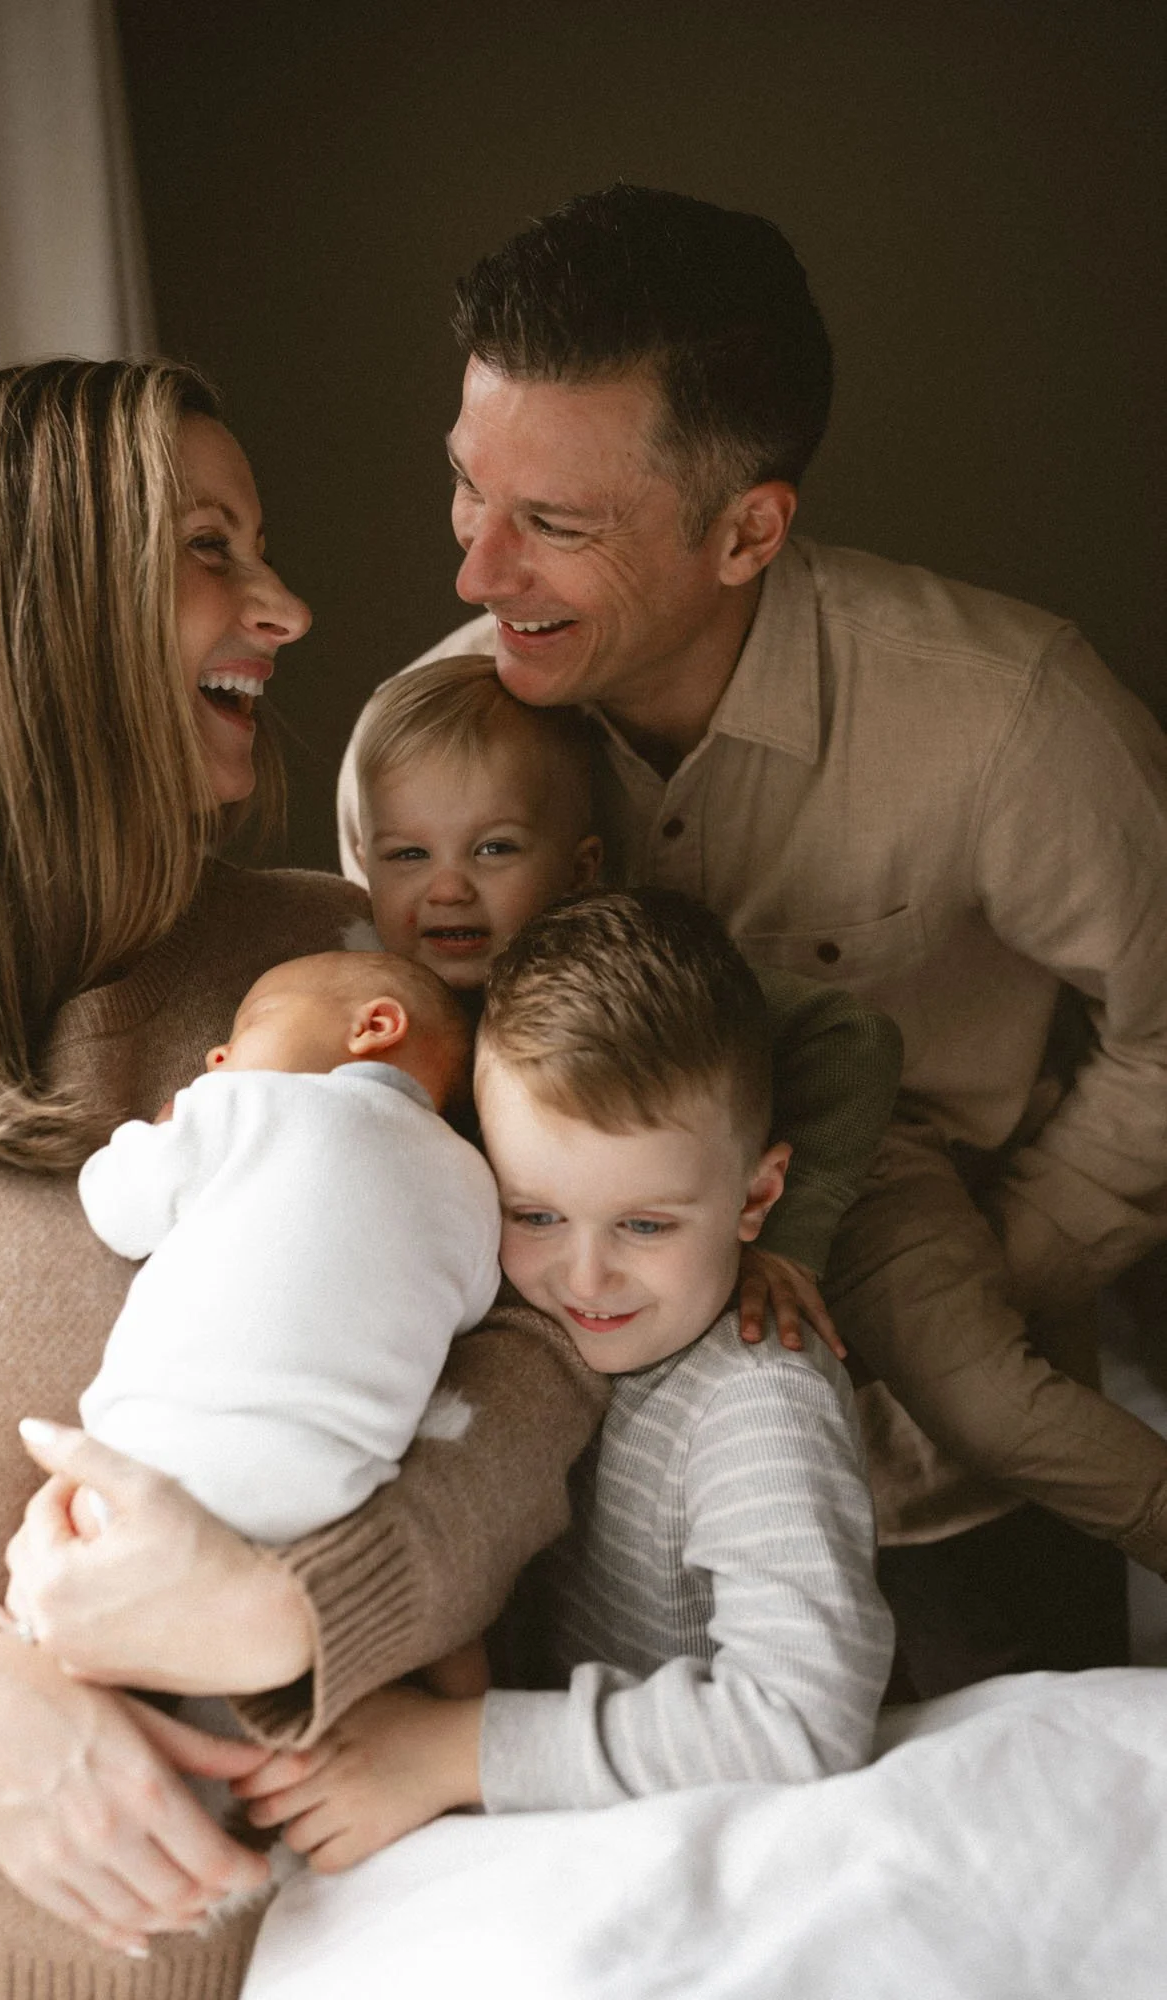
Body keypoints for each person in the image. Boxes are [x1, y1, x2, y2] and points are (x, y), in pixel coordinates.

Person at [0, 358, 606, 1997]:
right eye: (209, 549)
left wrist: (294, 1612)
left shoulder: (340, 962)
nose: (287, 607)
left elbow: (541, 1355)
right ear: (35, 614)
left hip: (349, 1948)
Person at [336, 184, 1167, 1694]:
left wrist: (988, 1273)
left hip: (944, 1495)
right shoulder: (427, 751)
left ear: (747, 529)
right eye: (469, 488)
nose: (474, 569)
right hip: (581, 1503)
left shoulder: (1011, 720)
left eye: (554, 524)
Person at [228, 891, 895, 1870]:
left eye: (646, 1224)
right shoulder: (492, 1310)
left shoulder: (758, 1400)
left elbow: (799, 1719)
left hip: (691, 1847)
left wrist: (448, 1750)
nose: (583, 1279)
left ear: (756, 1196)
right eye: (534, 1214)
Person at [352, 648, 904, 1350]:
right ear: (363, 860)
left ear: (580, 867)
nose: (448, 889)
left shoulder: (620, 984)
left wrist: (795, 1235)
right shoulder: (365, 1001)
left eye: (493, 850)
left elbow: (854, 1035)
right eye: (408, 855)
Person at [78, 950, 498, 1543]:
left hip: (164, 1445)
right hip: (337, 1492)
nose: (216, 1055)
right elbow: (467, 1309)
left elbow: (117, 1209)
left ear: (373, 1027)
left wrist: (164, 1131)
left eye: (252, 1023)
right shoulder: (475, 1181)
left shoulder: (251, 1103)